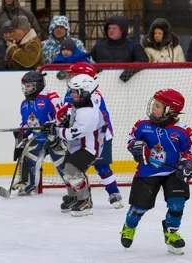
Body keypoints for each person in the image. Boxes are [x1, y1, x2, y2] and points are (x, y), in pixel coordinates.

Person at [119, 89, 192, 255]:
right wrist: (136, 147)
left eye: (158, 106)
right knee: (139, 207)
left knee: (177, 203)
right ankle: (129, 226)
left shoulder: (182, 130)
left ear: (170, 110)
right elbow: (131, 140)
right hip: (147, 171)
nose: (153, 108)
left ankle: (171, 232)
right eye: (154, 104)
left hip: (174, 173)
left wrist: (188, 162)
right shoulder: (142, 125)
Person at [56, 62, 124, 209]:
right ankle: (76, 196)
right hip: (80, 138)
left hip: (99, 137)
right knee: (70, 168)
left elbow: (88, 118)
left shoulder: (94, 96)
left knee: (102, 167)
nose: (71, 77)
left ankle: (113, 192)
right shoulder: (72, 92)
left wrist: (65, 128)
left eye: (74, 74)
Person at [43, 74, 108, 217]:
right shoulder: (76, 106)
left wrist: (57, 130)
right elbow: (63, 118)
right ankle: (74, 197)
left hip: (89, 148)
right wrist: (54, 124)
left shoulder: (89, 112)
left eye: (74, 91)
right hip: (76, 147)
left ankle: (85, 201)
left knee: (72, 170)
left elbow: (72, 133)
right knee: (65, 171)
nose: (71, 94)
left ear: (84, 92)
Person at [12, 71, 65, 195]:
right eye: (25, 86)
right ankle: (26, 184)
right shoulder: (24, 104)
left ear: (38, 84)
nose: (26, 89)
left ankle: (75, 186)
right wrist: (21, 132)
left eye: (29, 86)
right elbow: (27, 123)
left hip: (54, 137)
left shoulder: (50, 96)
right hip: (38, 136)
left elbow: (62, 116)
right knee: (28, 156)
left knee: (62, 163)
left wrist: (52, 125)